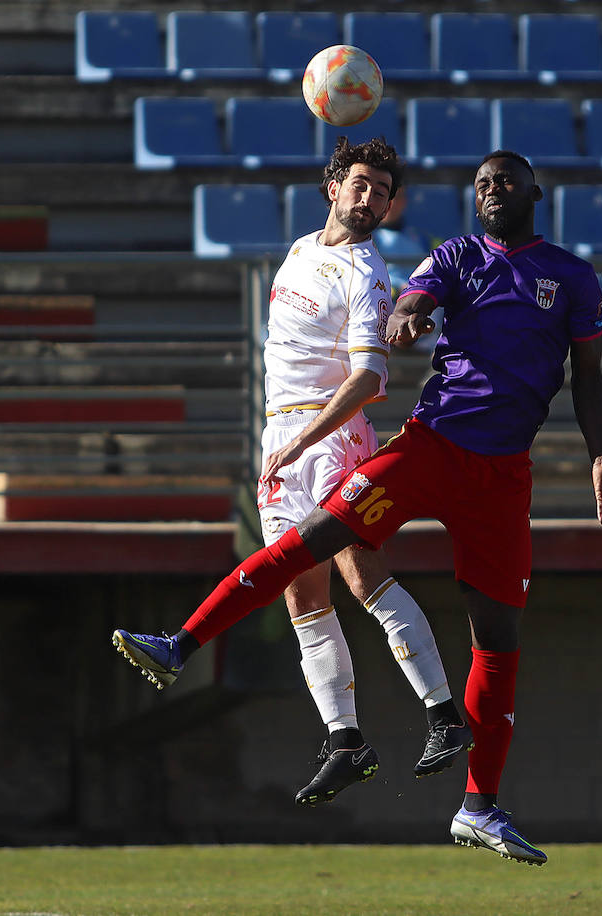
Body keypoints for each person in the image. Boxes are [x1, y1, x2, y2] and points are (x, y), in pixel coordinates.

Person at [112, 151, 602, 866]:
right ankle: (183, 644)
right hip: (429, 449)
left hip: (501, 478)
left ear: (533, 193)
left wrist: (601, 453)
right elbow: (411, 300)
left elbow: (589, 378)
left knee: (498, 638)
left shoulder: (571, 278)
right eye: (481, 181)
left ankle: (478, 808)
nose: (491, 189)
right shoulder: (457, 254)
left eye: (504, 180)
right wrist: (407, 317)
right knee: (313, 542)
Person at [120, 136, 470, 807]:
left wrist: (308, 436)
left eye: (382, 191)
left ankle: (444, 716)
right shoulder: (303, 251)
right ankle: (346, 742)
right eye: (360, 185)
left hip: (332, 438)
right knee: (305, 597)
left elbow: (369, 379)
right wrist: (286, 439)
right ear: (332, 187)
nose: (370, 198)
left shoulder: (365, 273)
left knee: (362, 574)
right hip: (282, 437)